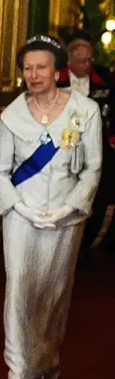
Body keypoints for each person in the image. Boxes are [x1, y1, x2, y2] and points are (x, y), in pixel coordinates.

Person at [0, 34, 102, 379]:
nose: (34, 75)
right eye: (27, 68)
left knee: (54, 292)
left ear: (57, 71)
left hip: (65, 217)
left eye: (41, 67)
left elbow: (92, 168)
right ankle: (18, 370)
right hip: (21, 214)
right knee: (19, 288)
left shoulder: (84, 111)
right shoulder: (12, 115)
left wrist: (68, 208)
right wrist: (19, 207)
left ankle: (49, 354)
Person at [57, 32, 115, 265]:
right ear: (69, 62)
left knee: (98, 199)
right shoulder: (55, 79)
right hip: (64, 148)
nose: (88, 64)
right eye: (83, 61)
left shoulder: (104, 77)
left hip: (98, 148)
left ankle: (84, 246)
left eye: (90, 59)